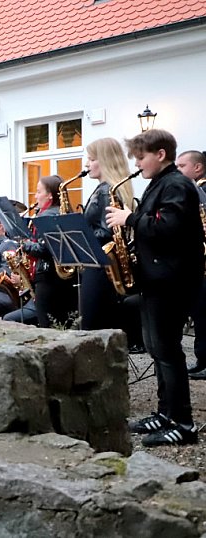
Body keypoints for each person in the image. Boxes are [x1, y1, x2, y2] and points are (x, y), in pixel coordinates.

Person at [106, 129, 203, 446]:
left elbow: (168, 227)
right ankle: (166, 414)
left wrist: (129, 218)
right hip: (156, 278)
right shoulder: (161, 183)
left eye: (140, 157)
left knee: (168, 352)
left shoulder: (176, 184)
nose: (137, 163)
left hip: (171, 280)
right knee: (158, 350)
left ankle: (183, 424)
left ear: (160, 154)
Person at [80, 137, 136, 331]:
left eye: (91, 158)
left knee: (92, 327)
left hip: (100, 266)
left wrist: (81, 235)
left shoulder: (106, 191)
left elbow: (107, 232)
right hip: (105, 265)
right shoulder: (107, 189)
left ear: (104, 160)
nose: (87, 164)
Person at [18, 175, 77, 327]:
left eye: (38, 192)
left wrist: (24, 243)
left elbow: (44, 249)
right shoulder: (63, 212)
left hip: (47, 277)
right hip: (62, 278)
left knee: (47, 324)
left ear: (50, 195)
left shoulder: (47, 215)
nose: (36, 196)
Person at [176, 150, 206, 379]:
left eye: (182, 166)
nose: (177, 170)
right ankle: (202, 359)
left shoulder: (201, 190)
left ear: (197, 168)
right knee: (200, 313)